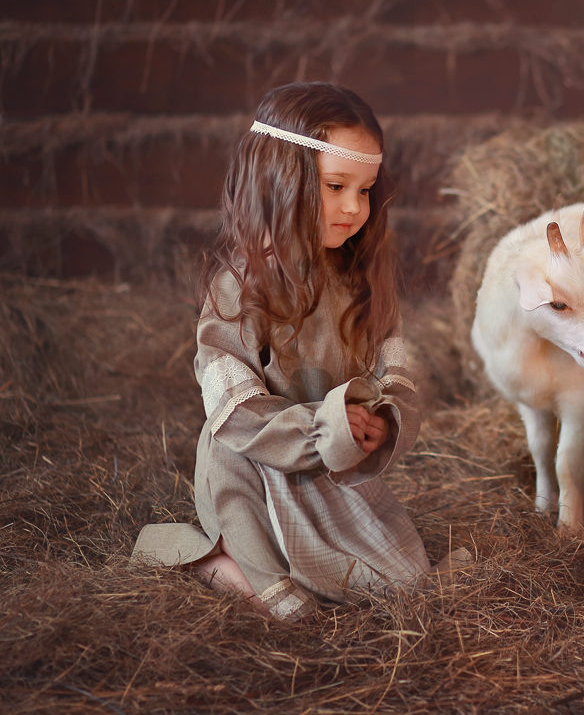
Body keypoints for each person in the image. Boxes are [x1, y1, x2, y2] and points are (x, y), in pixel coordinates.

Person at [133, 81, 450, 620]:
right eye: (335, 186)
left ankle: (294, 556)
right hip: (256, 462)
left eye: (365, 190)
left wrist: (380, 419)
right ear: (282, 180)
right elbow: (233, 412)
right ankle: (226, 562)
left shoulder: (358, 281)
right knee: (287, 603)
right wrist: (322, 427)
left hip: (327, 467)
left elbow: (395, 369)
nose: (354, 207)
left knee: (403, 582)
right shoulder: (239, 287)